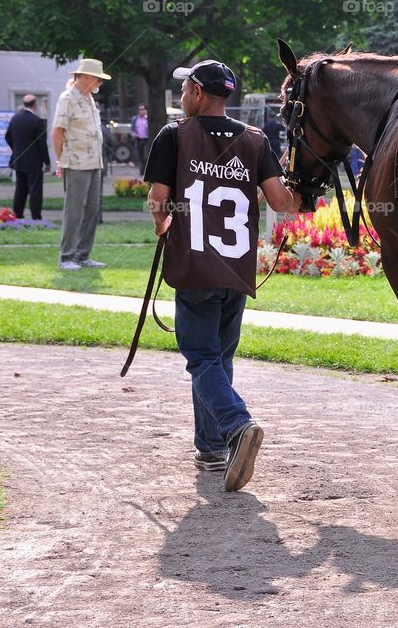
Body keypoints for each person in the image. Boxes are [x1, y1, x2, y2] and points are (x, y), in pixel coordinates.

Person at [144, 59, 302, 492]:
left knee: (201, 358)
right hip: (236, 268)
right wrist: (303, 186)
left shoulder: (174, 134)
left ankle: (236, 425)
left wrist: (164, 230)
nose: (181, 97)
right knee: (218, 359)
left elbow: (158, 201)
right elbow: (281, 202)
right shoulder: (255, 139)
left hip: (195, 267)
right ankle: (211, 446)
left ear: (196, 91)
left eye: (184, 89)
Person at [52, 58, 110, 270]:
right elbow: (57, 132)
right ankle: (66, 257)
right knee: (74, 211)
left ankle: (82, 255)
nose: (99, 83)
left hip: (94, 162)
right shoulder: (67, 98)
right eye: (97, 78)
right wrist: (61, 160)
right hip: (76, 164)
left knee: (92, 210)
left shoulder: (88, 99)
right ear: (85, 77)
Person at [6, 94, 50, 220]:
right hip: (34, 162)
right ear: (34, 104)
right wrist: (47, 162)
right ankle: (36, 216)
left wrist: (16, 149)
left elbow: (7, 137)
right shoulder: (37, 121)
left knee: (20, 189)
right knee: (35, 190)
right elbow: (42, 144)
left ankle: (17, 214)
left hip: (18, 160)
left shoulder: (15, 119)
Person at [130, 104, 150, 176]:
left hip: (146, 140)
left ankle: (143, 171)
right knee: (140, 156)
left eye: (142, 109)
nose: (140, 111)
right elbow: (131, 130)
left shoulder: (148, 119)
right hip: (138, 140)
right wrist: (134, 134)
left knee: (145, 156)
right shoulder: (135, 119)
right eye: (139, 109)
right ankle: (142, 170)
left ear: (145, 110)